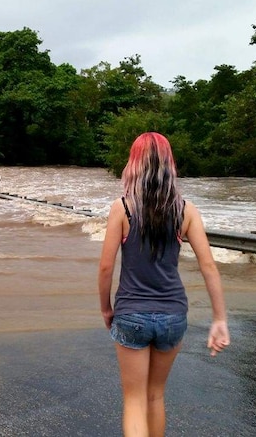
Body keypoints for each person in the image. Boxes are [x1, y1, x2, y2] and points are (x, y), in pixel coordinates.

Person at [98, 132, 229, 437]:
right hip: (172, 316)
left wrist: (106, 308)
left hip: (131, 314)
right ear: (170, 164)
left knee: (133, 400)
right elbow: (208, 266)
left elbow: (106, 267)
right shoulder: (186, 210)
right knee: (155, 395)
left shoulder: (123, 208)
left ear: (134, 164)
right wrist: (220, 319)